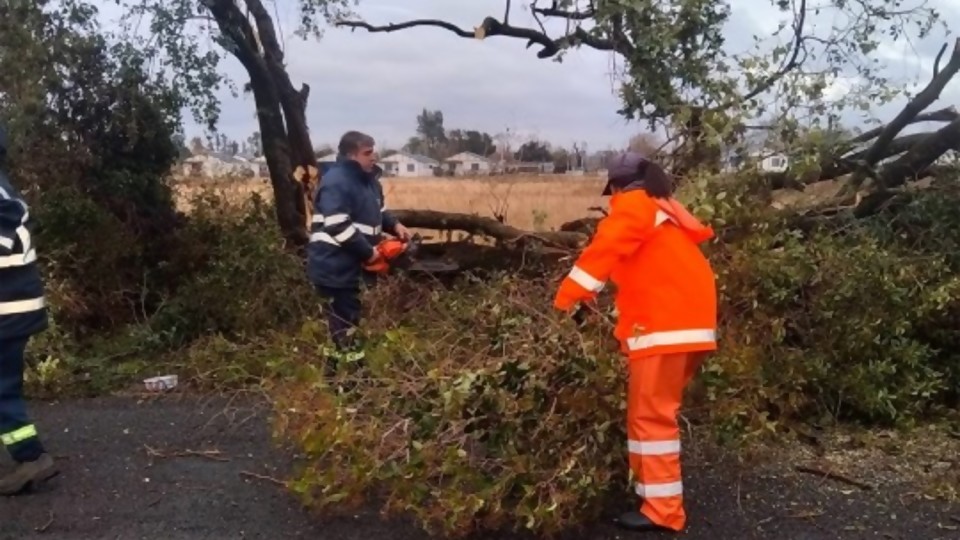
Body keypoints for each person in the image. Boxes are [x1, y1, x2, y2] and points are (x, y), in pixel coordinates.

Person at [552, 151, 717, 533]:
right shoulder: (665, 209)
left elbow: (601, 254)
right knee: (654, 413)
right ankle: (654, 497)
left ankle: (663, 510)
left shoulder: (633, 207)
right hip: (691, 326)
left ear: (616, 187)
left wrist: (566, 300)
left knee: (651, 417)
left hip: (664, 327)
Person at [306, 131, 411, 359]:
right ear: (351, 155)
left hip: (352, 266)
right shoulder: (337, 181)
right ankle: (344, 379)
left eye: (373, 151)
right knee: (343, 325)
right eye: (368, 152)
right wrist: (370, 253)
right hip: (334, 267)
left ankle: (348, 372)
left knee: (352, 321)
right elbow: (337, 224)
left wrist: (395, 226)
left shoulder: (369, 182)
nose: (374, 157)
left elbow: (378, 211)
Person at [0, 124, 59, 495]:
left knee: (2, 389)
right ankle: (28, 455)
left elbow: (9, 233)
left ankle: (30, 458)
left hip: (8, 311)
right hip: (11, 309)